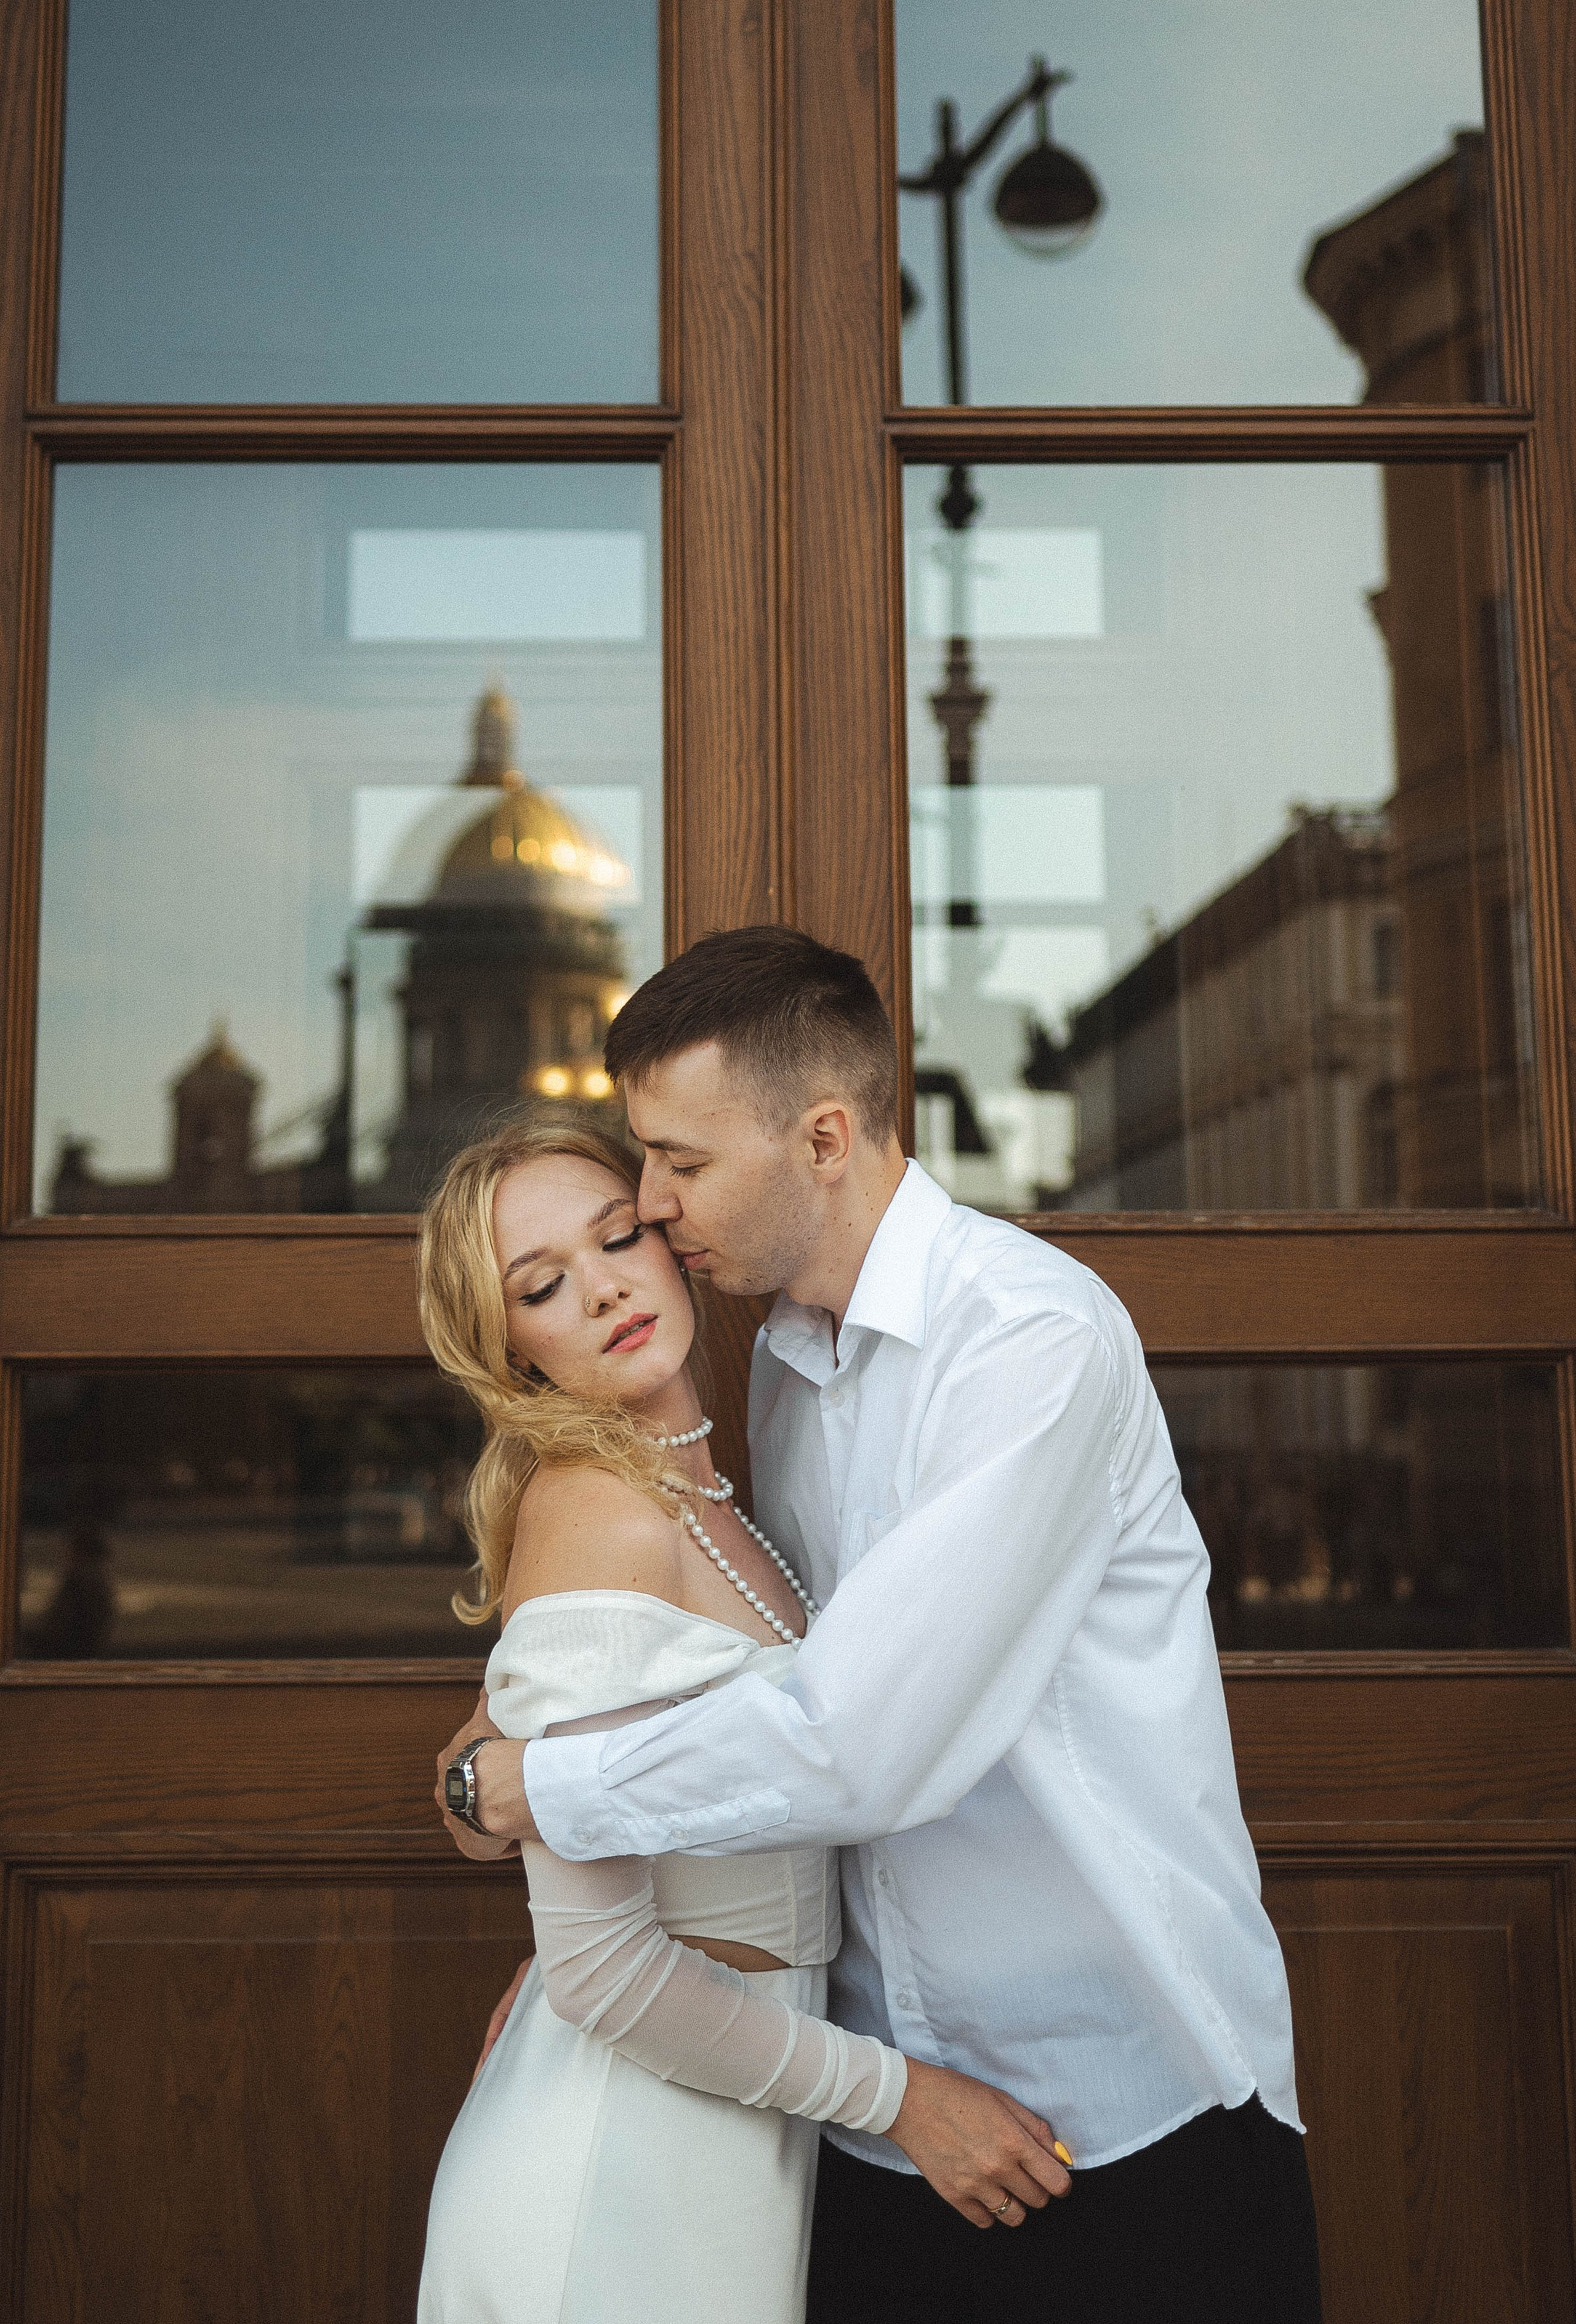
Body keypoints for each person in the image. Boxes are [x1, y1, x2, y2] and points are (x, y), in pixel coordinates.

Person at [440, 924, 1324, 2324]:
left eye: (677, 1165)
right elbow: (680, 1713)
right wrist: (586, 1921)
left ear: (824, 1138)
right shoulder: (784, 1370)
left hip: (1119, 2103)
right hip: (869, 2128)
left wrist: (545, 1794)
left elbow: (857, 1740)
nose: (652, 1210)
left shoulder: (1027, 1341)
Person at [415, 1118, 1071, 2324]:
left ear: (671, 1241)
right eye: (542, 1285)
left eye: (618, 1236)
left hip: (724, 2139)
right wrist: (905, 2101)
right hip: (611, 2171)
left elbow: (493, 1774)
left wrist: (546, 1875)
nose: (603, 1288)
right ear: (509, 1348)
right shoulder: (598, 1514)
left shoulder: (713, 1491)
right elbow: (602, 1972)